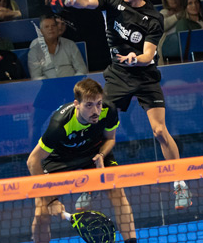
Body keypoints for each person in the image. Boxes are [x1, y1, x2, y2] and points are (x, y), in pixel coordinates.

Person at [57, 0, 191, 208]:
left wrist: (135, 58)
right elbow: (85, 1)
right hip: (118, 75)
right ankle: (92, 184)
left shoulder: (153, 18)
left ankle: (180, 183)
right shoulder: (111, 0)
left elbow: (149, 54)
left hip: (145, 76)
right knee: (96, 127)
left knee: (159, 131)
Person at [26, 78, 137, 243]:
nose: (96, 111)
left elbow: (110, 139)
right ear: (77, 104)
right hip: (61, 158)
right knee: (41, 213)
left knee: (117, 192)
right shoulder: (60, 124)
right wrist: (51, 200)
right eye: (89, 105)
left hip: (94, 152)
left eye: (98, 104)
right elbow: (32, 161)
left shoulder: (109, 110)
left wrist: (101, 155)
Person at [28, 14, 88, 79]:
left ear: (57, 28)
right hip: (48, 86)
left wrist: (74, 82)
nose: (50, 28)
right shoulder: (34, 51)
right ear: (41, 31)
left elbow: (82, 69)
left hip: (71, 84)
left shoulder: (70, 44)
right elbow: (36, 76)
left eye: (53, 26)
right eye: (46, 27)